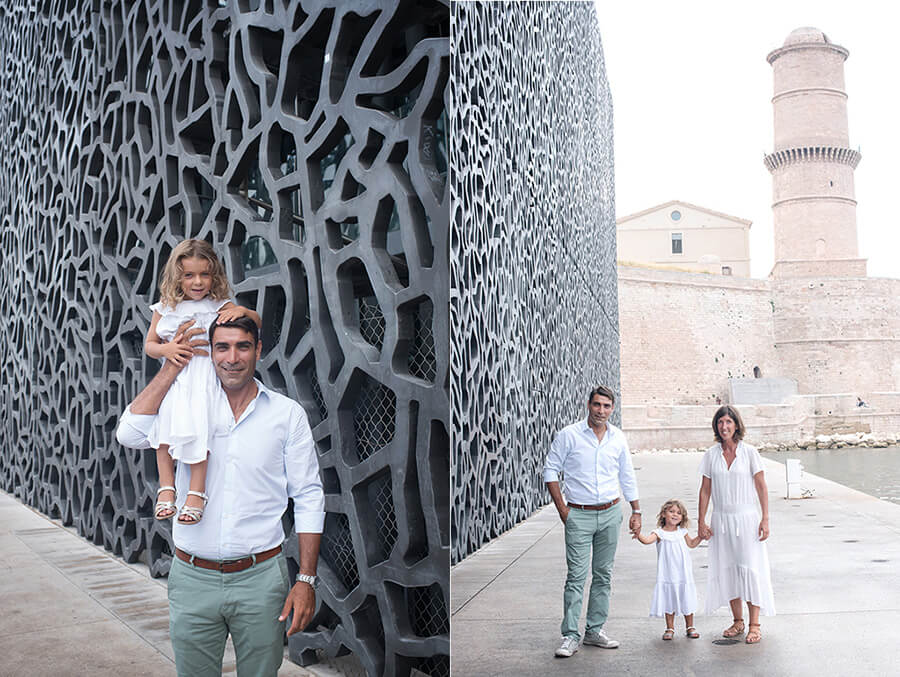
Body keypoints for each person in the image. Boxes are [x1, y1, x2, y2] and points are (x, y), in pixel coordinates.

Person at [117, 313, 325, 676]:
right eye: (222, 347)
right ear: (209, 353)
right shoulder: (186, 406)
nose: (232, 358)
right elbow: (130, 433)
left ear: (258, 350)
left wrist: (305, 579)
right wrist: (171, 367)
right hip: (192, 578)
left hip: (261, 578)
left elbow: (308, 495)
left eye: (243, 346)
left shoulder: (286, 415)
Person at [144, 238, 260, 525]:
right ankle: (166, 488)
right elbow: (150, 344)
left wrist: (243, 312)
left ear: (214, 275)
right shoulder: (166, 307)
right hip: (177, 377)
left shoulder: (220, 304)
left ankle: (196, 493)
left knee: (201, 430)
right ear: (177, 277)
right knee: (164, 430)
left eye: (204, 274)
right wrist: (167, 350)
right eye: (189, 275)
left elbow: (255, 320)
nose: (197, 282)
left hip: (205, 378)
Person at [543, 385, 641, 658]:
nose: (601, 411)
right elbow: (550, 470)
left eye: (606, 406)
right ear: (588, 404)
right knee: (576, 576)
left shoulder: (618, 438)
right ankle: (570, 636)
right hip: (579, 514)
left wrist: (636, 510)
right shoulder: (569, 435)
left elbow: (627, 475)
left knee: (603, 575)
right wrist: (563, 511)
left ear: (612, 409)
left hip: (611, 513)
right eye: (597, 405)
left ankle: (594, 631)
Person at [697, 405, 775, 644]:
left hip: (747, 519)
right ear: (716, 426)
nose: (724, 427)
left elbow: (761, 486)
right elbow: (705, 490)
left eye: (729, 422)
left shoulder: (750, 453)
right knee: (728, 568)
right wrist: (701, 521)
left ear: (736, 425)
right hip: (721, 520)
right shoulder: (711, 455)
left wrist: (765, 518)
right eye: (720, 422)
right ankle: (737, 621)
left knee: (750, 568)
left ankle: (754, 624)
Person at [633, 499, 704, 640]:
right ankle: (670, 627)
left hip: (683, 572)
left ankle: (690, 626)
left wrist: (701, 537)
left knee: (686, 597)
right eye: (671, 511)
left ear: (682, 517)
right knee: (669, 599)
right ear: (664, 514)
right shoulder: (659, 533)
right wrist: (638, 533)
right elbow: (647, 540)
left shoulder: (682, 532)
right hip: (668, 573)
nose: (675, 515)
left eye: (679, 513)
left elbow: (691, 544)